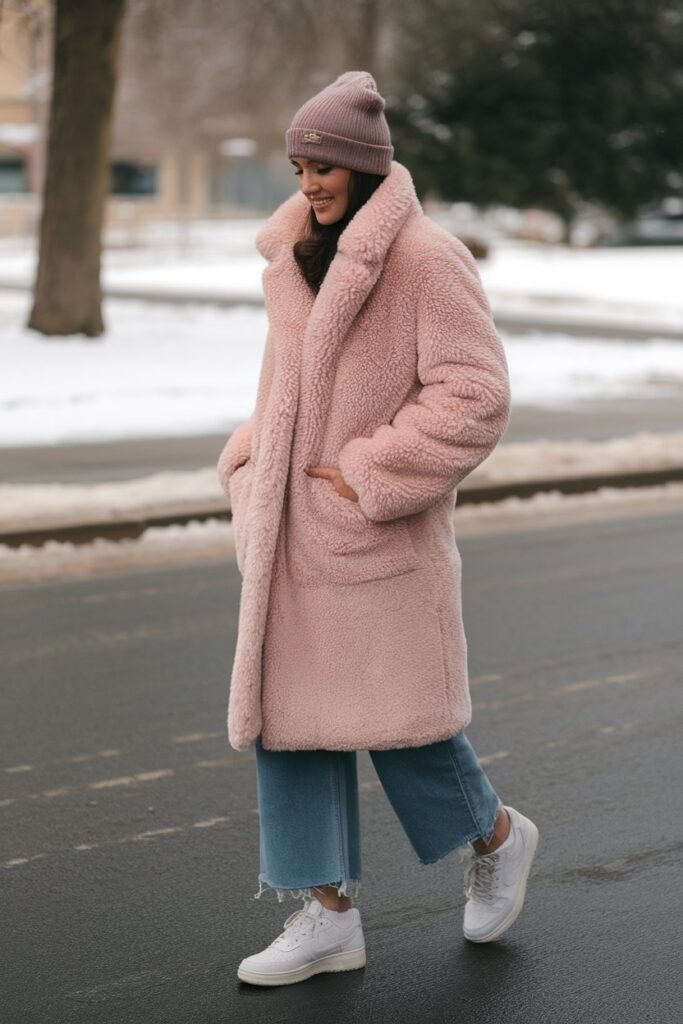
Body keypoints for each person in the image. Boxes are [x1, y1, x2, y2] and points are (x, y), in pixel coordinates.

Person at [217, 71, 539, 988]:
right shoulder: (293, 255)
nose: (309, 182)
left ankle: (498, 838)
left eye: (323, 166)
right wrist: (251, 460)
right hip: (288, 530)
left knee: (406, 728)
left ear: (363, 167)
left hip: (369, 532)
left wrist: (368, 475)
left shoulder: (425, 259)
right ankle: (325, 915)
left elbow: (475, 397)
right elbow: (286, 387)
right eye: (299, 165)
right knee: (291, 725)